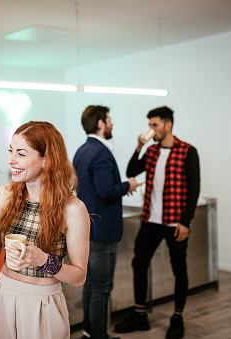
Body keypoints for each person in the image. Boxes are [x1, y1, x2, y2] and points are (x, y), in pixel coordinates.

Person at [0, 121, 90, 339]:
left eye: (21, 153)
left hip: (42, 301)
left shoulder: (72, 208)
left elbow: (79, 277)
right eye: (10, 151)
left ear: (46, 160)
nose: (11, 160)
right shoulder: (5, 194)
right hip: (4, 294)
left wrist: (43, 260)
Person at [115, 106, 200, 339]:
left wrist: (186, 222)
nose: (151, 129)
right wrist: (139, 147)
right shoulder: (151, 152)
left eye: (155, 125)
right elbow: (131, 170)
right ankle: (140, 314)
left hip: (175, 224)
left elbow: (194, 188)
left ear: (168, 125)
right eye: (150, 125)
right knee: (139, 264)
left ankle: (177, 317)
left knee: (179, 269)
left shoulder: (187, 151)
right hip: (150, 221)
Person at [73, 105, 140, 339]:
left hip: (88, 229)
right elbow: (105, 189)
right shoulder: (100, 152)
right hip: (103, 230)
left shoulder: (81, 150)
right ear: (100, 124)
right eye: (109, 120)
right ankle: (99, 336)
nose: (111, 124)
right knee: (101, 288)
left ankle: (89, 333)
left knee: (91, 284)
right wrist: (128, 186)